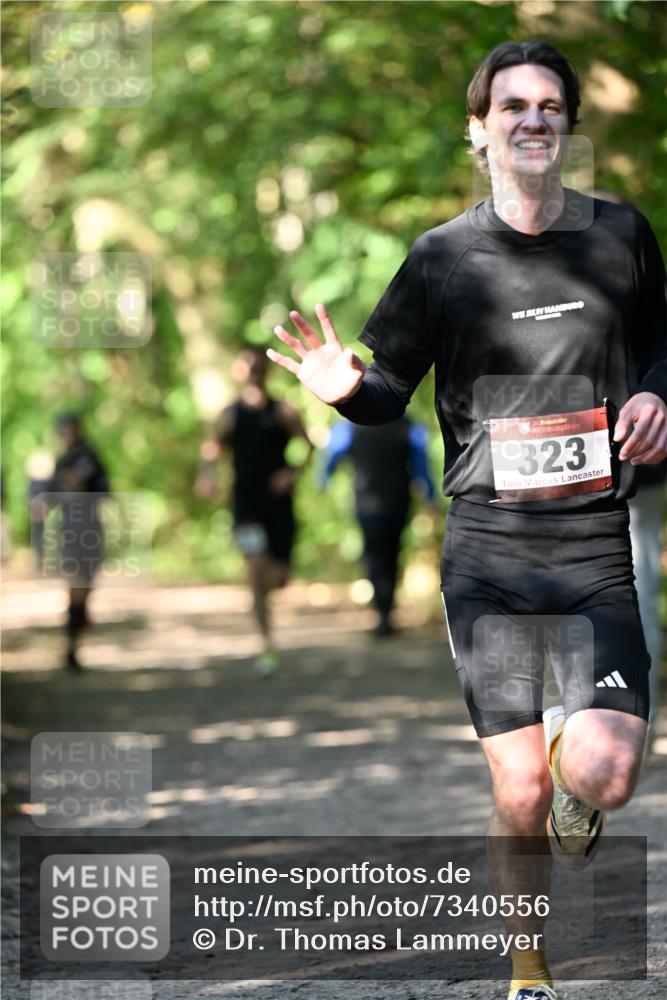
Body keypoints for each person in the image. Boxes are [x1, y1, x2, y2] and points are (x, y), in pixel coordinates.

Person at [268, 41, 666, 1000]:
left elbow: (660, 348)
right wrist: (343, 387)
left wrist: (658, 397)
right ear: (478, 129)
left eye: (548, 107)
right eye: (513, 107)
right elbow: (386, 393)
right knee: (518, 789)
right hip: (488, 554)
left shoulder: (621, 237)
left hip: (593, 545)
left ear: (566, 125)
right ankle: (528, 967)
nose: (532, 120)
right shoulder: (442, 258)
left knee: (603, 776)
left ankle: (583, 770)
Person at [196, 346, 314, 674]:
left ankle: (267, 603)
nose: (253, 374)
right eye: (248, 368)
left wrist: (292, 472)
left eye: (258, 368)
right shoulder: (229, 414)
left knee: (279, 578)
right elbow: (211, 449)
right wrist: (206, 477)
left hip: (278, 505)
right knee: (256, 571)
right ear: (239, 372)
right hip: (245, 503)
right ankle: (267, 643)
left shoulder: (283, 412)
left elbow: (309, 445)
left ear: (266, 372)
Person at [321, 418, 436, 636]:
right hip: (397, 502)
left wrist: (324, 479)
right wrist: (430, 495)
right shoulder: (408, 425)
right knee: (391, 554)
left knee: (375, 556)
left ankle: (383, 612)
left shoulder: (350, 425)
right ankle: (385, 612)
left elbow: (333, 455)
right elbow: (421, 462)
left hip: (368, 503)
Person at [42, 412, 110, 671]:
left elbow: (104, 491)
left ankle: (78, 621)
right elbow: (51, 497)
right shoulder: (61, 462)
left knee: (86, 584)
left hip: (90, 529)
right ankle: (72, 641)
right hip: (70, 530)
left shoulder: (90, 456)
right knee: (75, 585)